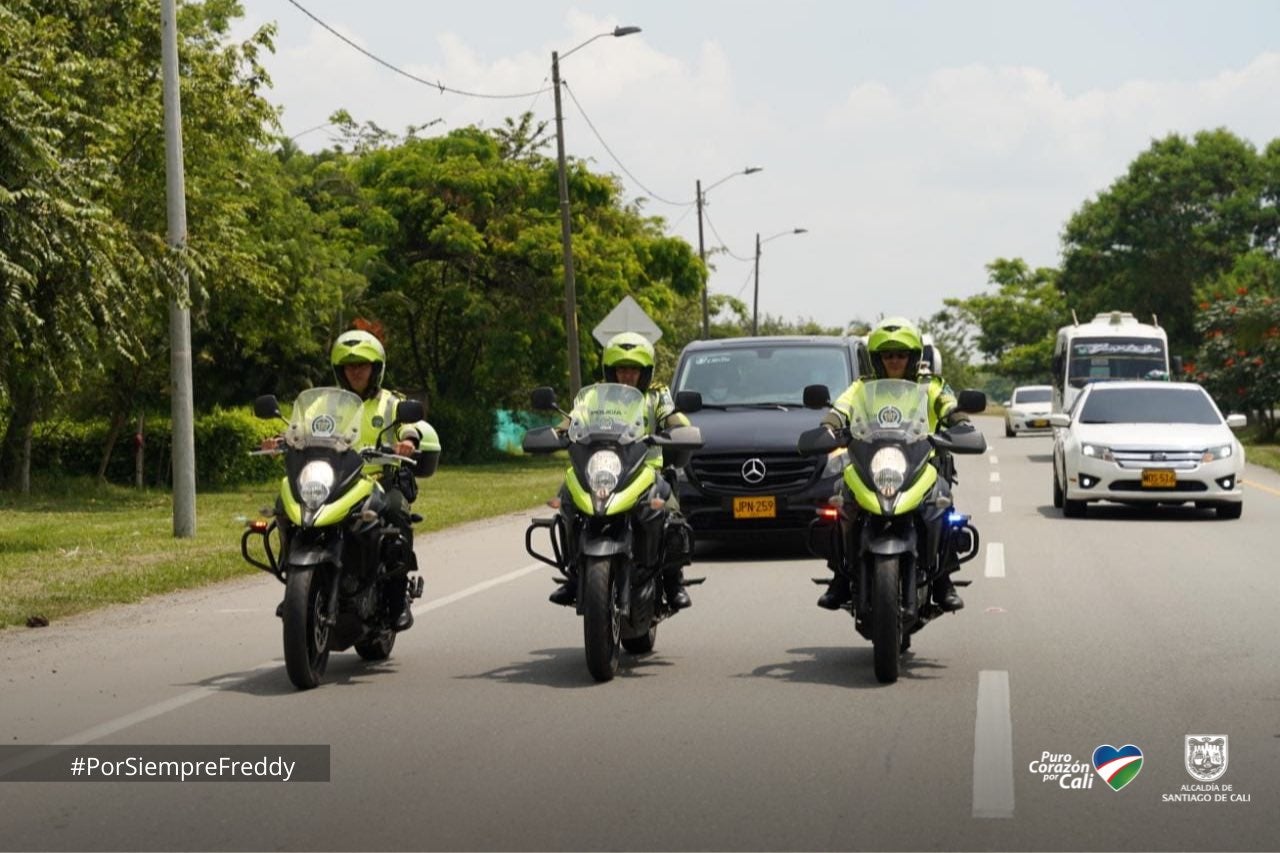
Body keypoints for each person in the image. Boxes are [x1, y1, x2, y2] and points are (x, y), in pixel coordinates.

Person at [264, 328, 431, 632]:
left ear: (375, 369)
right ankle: (296, 584)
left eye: (362, 365)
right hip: (331, 479)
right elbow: (297, 427)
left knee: (395, 511)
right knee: (284, 504)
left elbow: (410, 427)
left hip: (376, 478)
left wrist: (407, 441)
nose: (355, 371)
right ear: (339, 371)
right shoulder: (324, 404)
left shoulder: (391, 402)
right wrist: (280, 440)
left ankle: (396, 600)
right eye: (349, 366)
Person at [816, 317, 969, 612]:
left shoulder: (931, 386)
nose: (895, 361)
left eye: (901, 355)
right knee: (840, 497)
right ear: (877, 359)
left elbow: (950, 406)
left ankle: (942, 580)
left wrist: (961, 422)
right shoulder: (862, 388)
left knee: (942, 501)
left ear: (913, 358)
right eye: (888, 355)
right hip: (872, 460)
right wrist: (828, 426)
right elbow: (841, 409)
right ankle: (840, 577)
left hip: (922, 461)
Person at [549, 332, 695, 610]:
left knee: (670, 509)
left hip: (646, 469)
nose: (627, 376)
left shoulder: (657, 395)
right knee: (566, 499)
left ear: (645, 373)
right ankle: (574, 574)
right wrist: (557, 433)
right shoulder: (593, 396)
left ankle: (673, 580)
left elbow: (675, 419)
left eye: (634, 370)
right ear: (611, 371)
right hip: (601, 466)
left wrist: (680, 430)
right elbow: (572, 419)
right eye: (622, 369)